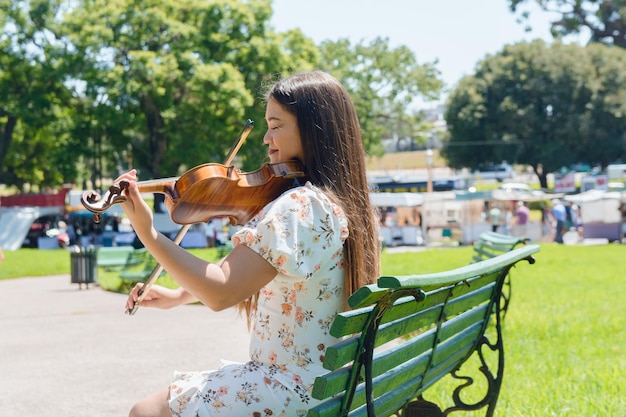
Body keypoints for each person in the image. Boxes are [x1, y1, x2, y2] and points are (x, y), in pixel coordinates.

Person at [116, 71, 381, 417]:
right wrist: (180, 295)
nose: (266, 139)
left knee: (146, 412)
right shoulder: (340, 205)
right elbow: (275, 277)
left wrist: (149, 233)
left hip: (290, 390)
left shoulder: (297, 207)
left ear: (314, 130)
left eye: (276, 125)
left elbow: (222, 292)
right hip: (329, 384)